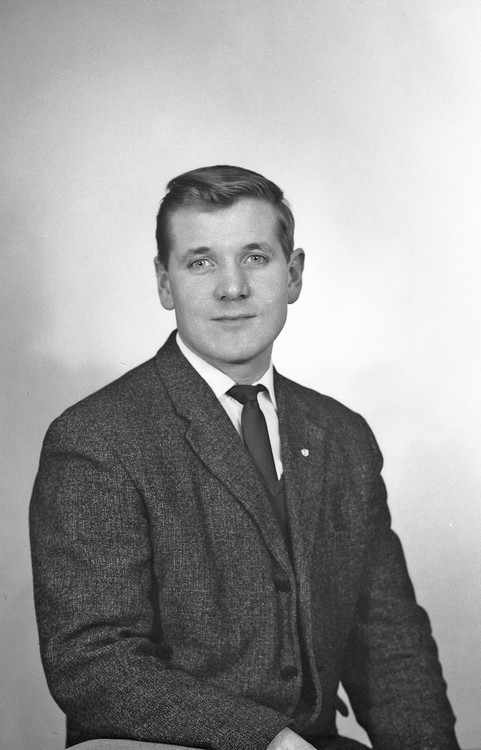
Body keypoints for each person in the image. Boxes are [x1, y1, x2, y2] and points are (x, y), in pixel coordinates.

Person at [30, 165, 460, 750]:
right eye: (200, 262)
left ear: (294, 274)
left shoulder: (343, 436)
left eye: (255, 257)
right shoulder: (96, 438)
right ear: (164, 284)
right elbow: (93, 665)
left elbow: (390, 647)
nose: (232, 288)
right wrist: (267, 739)